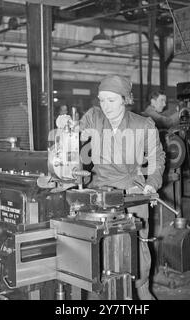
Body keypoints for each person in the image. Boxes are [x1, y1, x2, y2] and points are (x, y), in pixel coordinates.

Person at [59, 75, 165, 300]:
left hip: (132, 195)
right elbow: (77, 129)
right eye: (102, 100)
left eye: (111, 101)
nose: (105, 106)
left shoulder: (142, 124)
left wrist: (150, 185)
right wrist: (67, 125)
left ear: (126, 99)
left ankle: (141, 290)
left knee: (138, 254)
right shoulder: (95, 117)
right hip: (100, 194)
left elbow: (158, 158)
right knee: (99, 254)